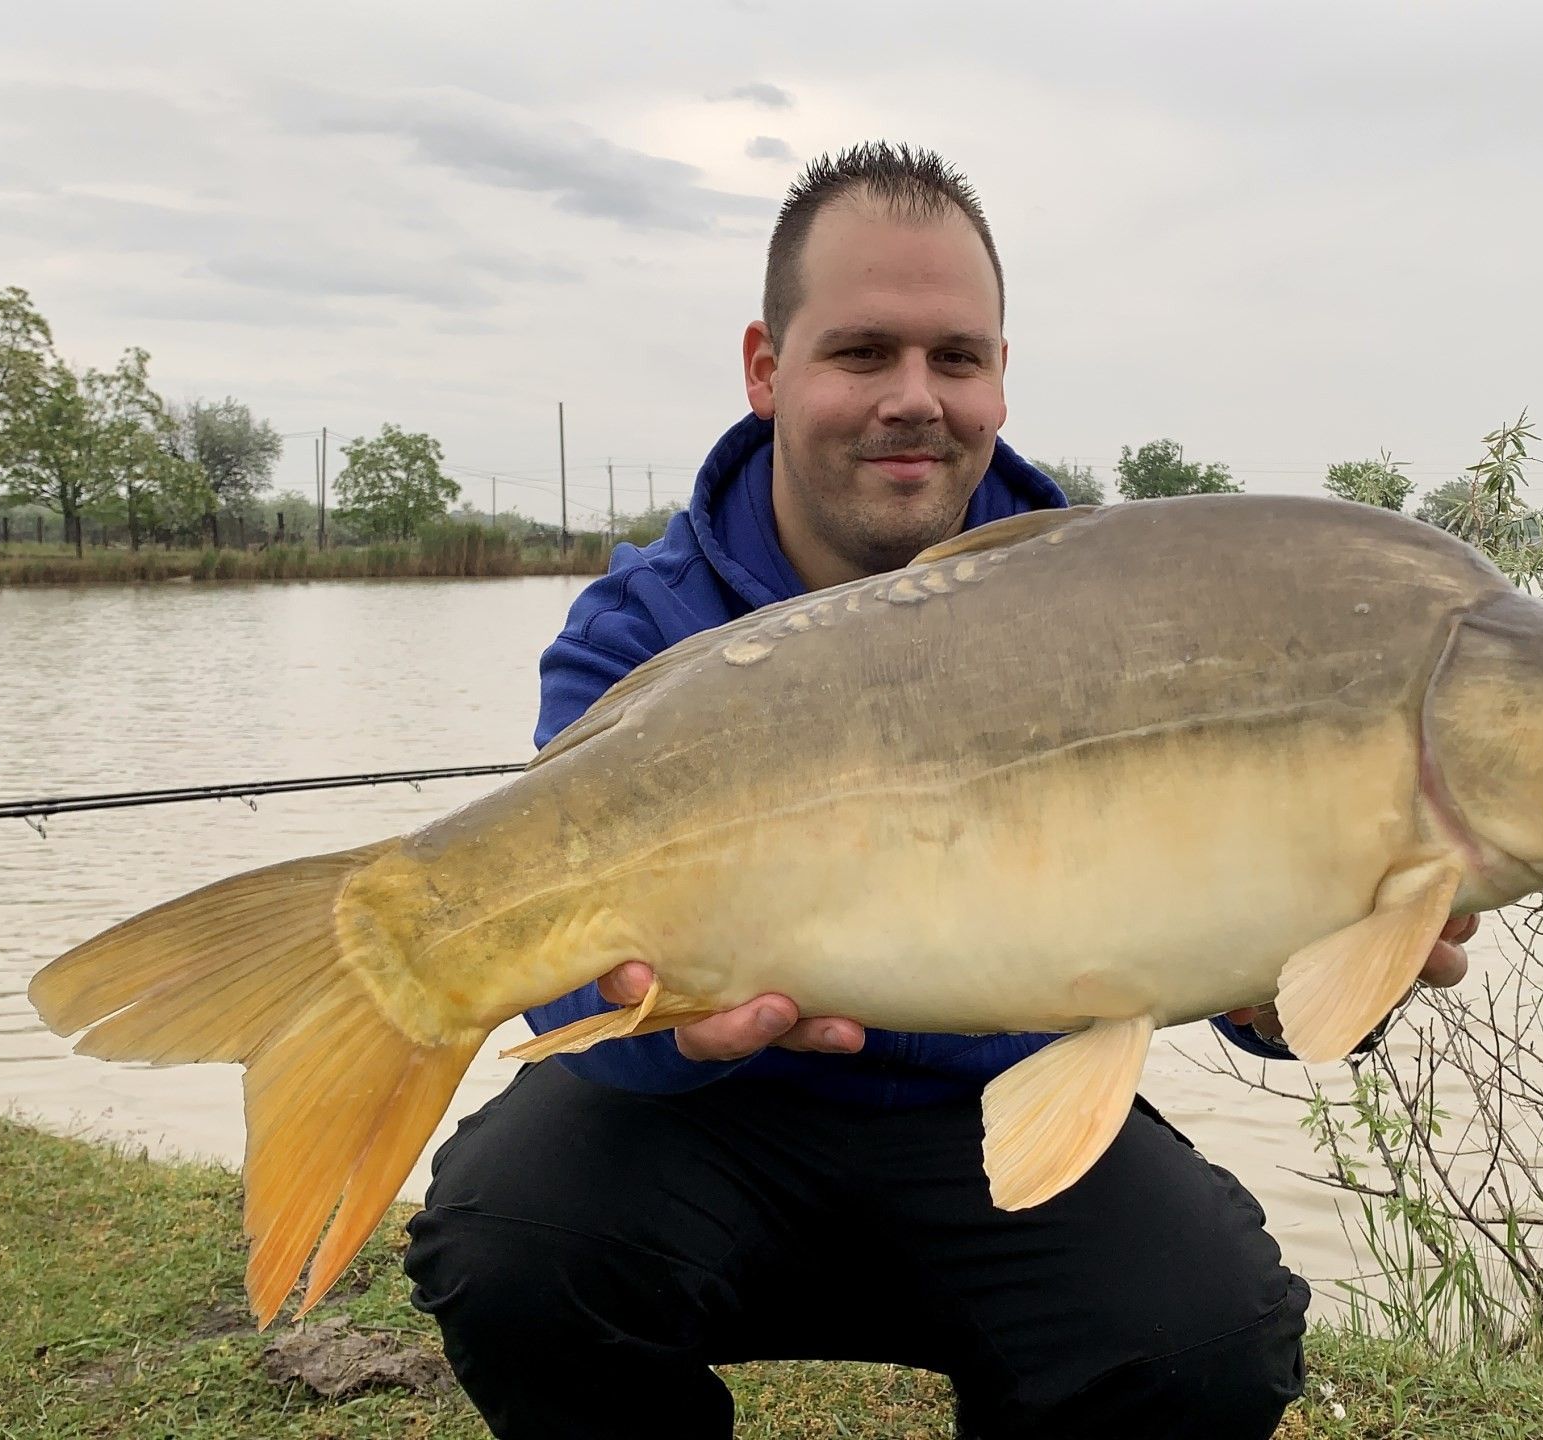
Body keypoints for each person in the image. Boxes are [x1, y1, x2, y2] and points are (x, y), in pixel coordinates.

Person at [404, 141, 1473, 1440]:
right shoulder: (646, 626)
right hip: (705, 1127)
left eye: (956, 358)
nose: (916, 397)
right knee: (508, 1242)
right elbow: (550, 972)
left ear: (1001, 381)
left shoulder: (1120, 606)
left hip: (1001, 1103)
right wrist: (668, 1027)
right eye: (864, 352)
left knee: (1212, 1337)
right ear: (766, 366)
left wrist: (1307, 978)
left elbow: (1253, 972)